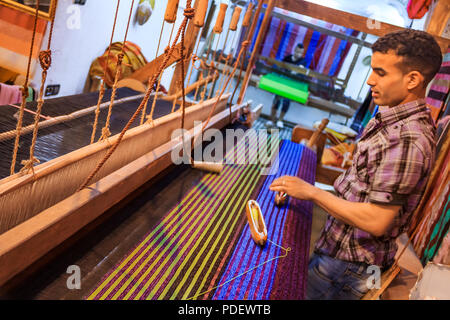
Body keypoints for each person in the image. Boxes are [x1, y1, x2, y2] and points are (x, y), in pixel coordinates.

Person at [269, 29, 442, 299]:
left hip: (348, 266)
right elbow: (362, 189)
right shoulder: (389, 118)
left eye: (381, 73)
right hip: (339, 252)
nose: (370, 80)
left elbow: (376, 221)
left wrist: (311, 192)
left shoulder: (408, 139)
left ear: (412, 79)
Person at [265, 43, 307, 129]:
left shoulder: (303, 61)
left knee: (286, 102)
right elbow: (281, 68)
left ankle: (280, 121)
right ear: (294, 50)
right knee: (276, 100)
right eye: (297, 51)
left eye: (301, 53)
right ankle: (271, 120)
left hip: (292, 86)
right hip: (282, 83)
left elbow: (302, 74)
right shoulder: (287, 58)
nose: (298, 54)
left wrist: (298, 71)